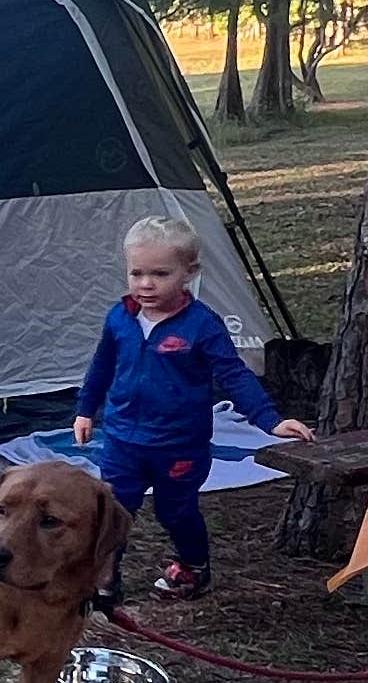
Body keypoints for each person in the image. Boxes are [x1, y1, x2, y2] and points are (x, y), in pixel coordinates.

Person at [72, 218, 311, 599]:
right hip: (122, 438)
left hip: (178, 445)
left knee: (176, 511)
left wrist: (271, 420)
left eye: (160, 274)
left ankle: (193, 568)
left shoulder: (201, 324)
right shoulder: (120, 317)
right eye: (137, 273)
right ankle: (103, 575)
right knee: (113, 509)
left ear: (189, 273)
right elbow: (102, 365)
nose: (146, 284)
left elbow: (234, 374)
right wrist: (86, 410)